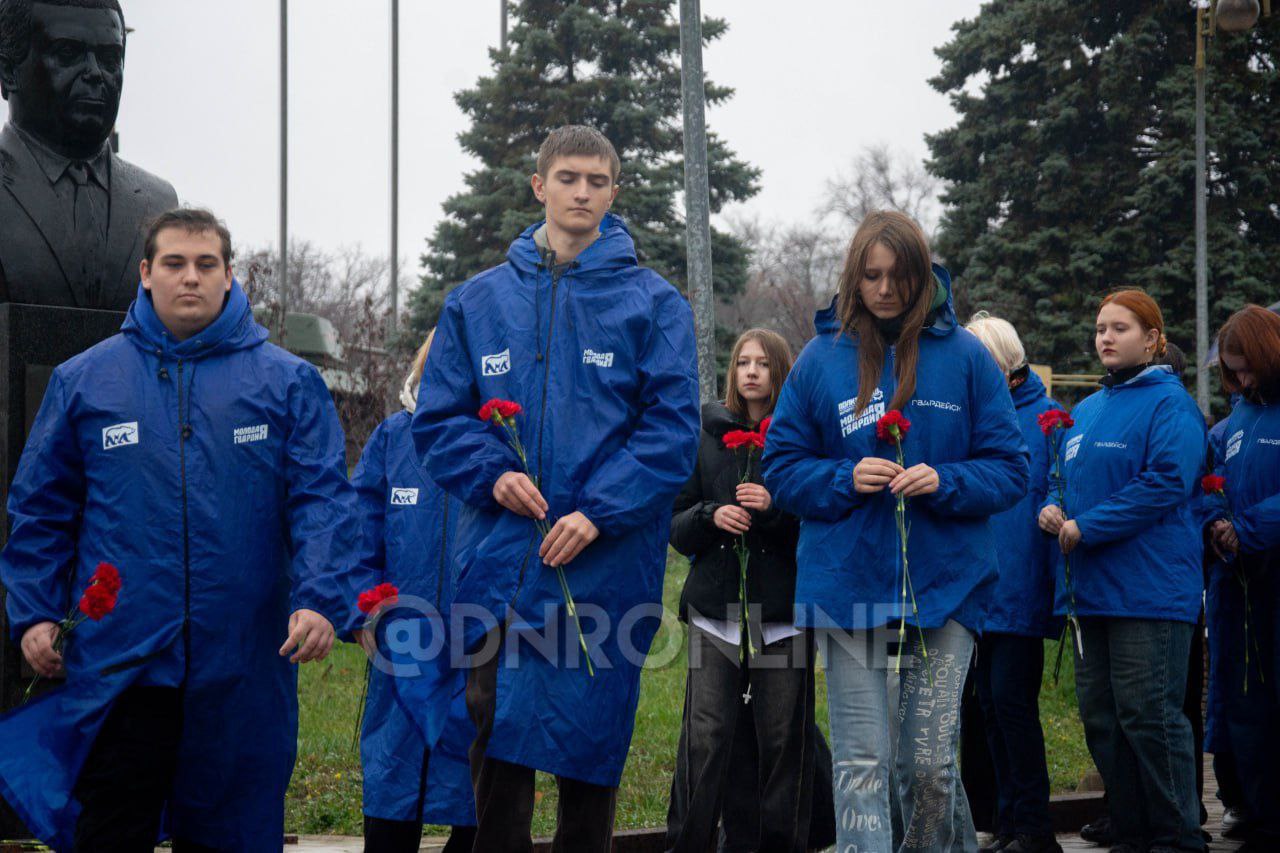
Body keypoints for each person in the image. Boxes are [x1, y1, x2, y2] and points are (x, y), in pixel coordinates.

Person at [0, 208, 361, 850]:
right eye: (173, 263)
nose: (189, 278)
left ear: (229, 275)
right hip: (122, 666)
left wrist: (318, 599)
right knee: (109, 833)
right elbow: (42, 510)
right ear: (145, 274)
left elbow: (322, 501)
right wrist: (33, 613)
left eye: (205, 264)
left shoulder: (288, 383)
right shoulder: (84, 381)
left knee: (234, 838)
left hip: (245, 665)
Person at [412, 125, 700, 850]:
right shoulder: (475, 303)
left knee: (588, 743)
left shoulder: (655, 304)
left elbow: (670, 432)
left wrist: (597, 514)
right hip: (504, 557)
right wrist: (493, 471)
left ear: (613, 192)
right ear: (539, 185)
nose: (581, 192)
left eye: (597, 181)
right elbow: (439, 418)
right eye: (567, 178)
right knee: (496, 726)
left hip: (602, 565)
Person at [762, 210, 1029, 853]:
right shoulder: (820, 360)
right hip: (847, 587)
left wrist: (946, 481)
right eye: (871, 276)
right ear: (854, 278)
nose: (884, 290)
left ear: (921, 275)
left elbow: (1010, 468)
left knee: (930, 767)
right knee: (861, 763)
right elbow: (782, 467)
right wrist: (843, 479)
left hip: (946, 589)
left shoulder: (966, 356)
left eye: (898, 276)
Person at [1037, 289, 1206, 853]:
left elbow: (1165, 482)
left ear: (1153, 338)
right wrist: (1052, 506)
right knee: (1103, 720)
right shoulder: (1085, 412)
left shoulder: (1170, 404)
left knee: (1150, 719)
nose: (1105, 337)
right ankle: (1131, 832)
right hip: (1090, 594)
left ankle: (1178, 836)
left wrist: (1090, 526)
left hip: (1149, 593)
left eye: (1121, 328)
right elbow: (1060, 476)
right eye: (1100, 328)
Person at [665, 328, 816, 851]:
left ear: (780, 372)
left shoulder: (799, 436)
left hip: (781, 613)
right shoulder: (705, 436)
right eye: (742, 363)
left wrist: (772, 512)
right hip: (716, 611)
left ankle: (781, 844)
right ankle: (688, 843)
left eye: (763, 364)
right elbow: (677, 525)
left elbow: (814, 527)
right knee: (705, 737)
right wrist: (712, 514)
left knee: (782, 738)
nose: (751, 371)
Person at [351, 332, 477, 852]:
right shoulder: (392, 438)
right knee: (392, 780)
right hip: (400, 644)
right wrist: (363, 611)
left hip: (478, 644)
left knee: (473, 787)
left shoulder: (503, 442)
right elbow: (359, 530)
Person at [0, 0, 178, 308]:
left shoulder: (158, 204)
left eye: (111, 58)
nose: (96, 73)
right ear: (9, 70)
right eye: (68, 54)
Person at [964, 314, 1063, 853]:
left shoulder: (1045, 418)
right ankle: (1007, 824)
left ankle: (1034, 827)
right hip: (981, 592)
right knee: (990, 710)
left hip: (1021, 590)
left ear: (1003, 362)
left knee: (1013, 706)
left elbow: (1052, 489)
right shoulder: (985, 414)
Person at [1203, 305, 1280, 852]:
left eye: (1248, 367)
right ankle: (1254, 807)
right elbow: (1209, 485)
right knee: (1244, 699)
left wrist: (1248, 526)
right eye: (1234, 371)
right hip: (1240, 581)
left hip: (1271, 571)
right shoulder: (1235, 421)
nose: (1243, 379)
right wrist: (1215, 524)